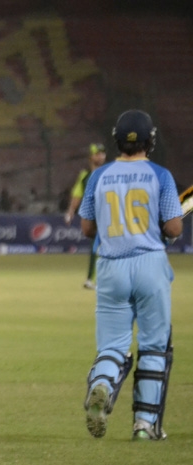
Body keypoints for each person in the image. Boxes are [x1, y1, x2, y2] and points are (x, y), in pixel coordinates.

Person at [80, 110, 183, 442]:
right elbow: (173, 226)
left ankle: (103, 383)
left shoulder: (98, 176)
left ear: (116, 140)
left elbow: (86, 228)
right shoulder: (161, 176)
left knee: (112, 346)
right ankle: (145, 425)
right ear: (150, 141)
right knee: (154, 347)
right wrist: (166, 230)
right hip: (150, 264)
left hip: (111, 267)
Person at [66, 143, 107, 289]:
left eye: (102, 153)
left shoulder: (110, 172)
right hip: (95, 216)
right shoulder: (85, 176)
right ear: (91, 156)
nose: (101, 156)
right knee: (96, 246)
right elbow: (77, 194)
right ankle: (91, 279)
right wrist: (71, 211)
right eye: (97, 154)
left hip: (111, 215)